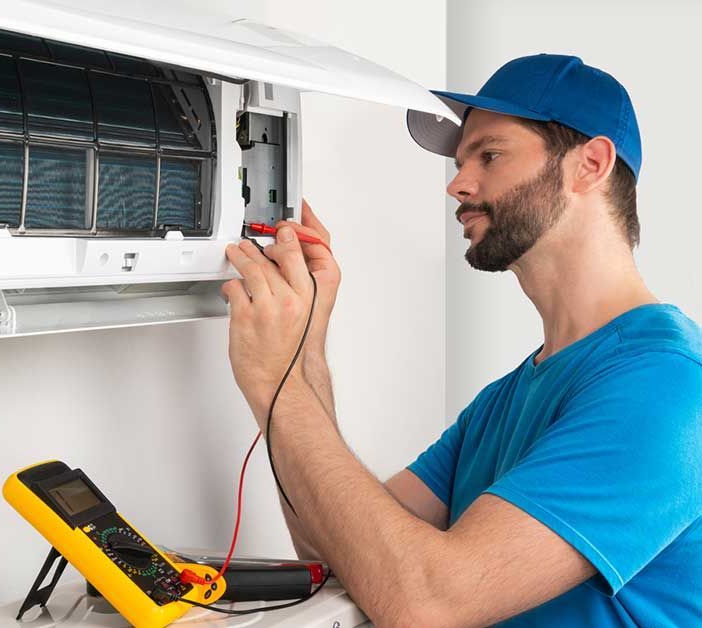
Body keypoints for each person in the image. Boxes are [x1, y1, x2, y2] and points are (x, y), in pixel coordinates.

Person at [220, 54, 701, 626]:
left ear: (590, 164)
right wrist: (303, 355)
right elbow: (339, 555)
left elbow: (426, 601)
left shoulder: (665, 387)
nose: (458, 184)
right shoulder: (505, 400)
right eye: (460, 160)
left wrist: (278, 385)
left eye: (490, 155)